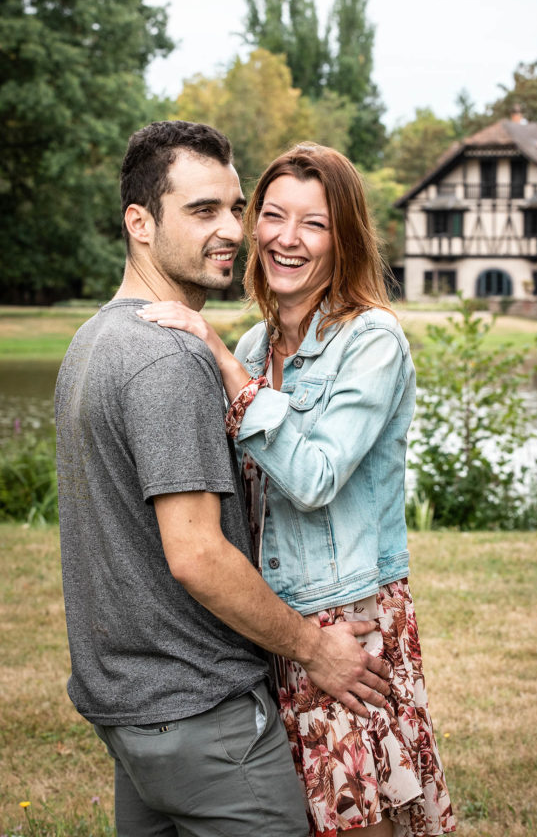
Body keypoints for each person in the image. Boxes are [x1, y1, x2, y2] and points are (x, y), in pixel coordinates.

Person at [55, 122, 391, 837]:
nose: (234, 231)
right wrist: (310, 646)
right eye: (203, 211)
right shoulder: (170, 359)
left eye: (236, 208)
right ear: (139, 223)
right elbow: (197, 554)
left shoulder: (94, 340)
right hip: (203, 719)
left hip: (133, 713)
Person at [138, 142, 456, 837]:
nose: (286, 238)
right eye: (272, 216)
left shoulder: (369, 341)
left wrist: (221, 364)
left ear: (341, 239)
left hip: (346, 620)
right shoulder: (253, 348)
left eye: (312, 224)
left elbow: (312, 479)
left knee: (354, 813)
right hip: (270, 628)